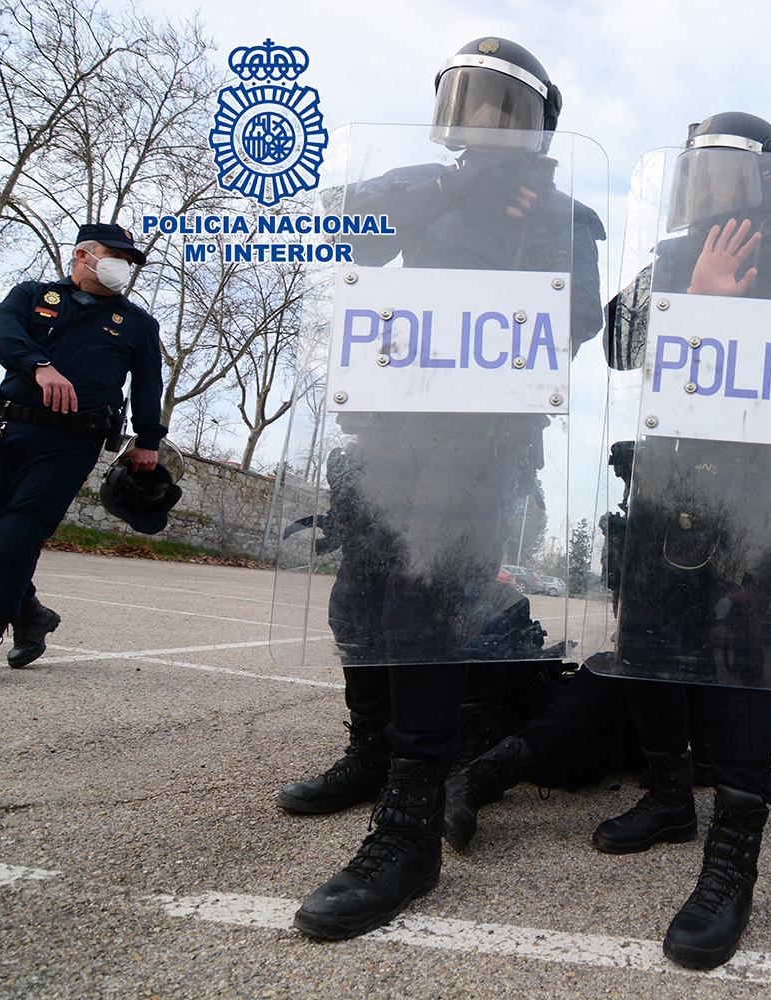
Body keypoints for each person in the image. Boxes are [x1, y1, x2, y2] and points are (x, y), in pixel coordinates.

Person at [281, 35, 605, 941]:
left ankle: (411, 823)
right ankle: (371, 754)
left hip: (481, 442)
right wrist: (443, 196)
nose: (485, 120)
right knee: (360, 603)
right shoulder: (424, 185)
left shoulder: (564, 215)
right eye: (473, 99)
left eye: (505, 106)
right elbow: (337, 225)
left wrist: (504, 239)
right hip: (384, 427)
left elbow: (574, 321)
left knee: (424, 610)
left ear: (541, 125)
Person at [595, 112, 771, 970]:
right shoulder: (668, 255)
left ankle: (733, 854)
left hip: (759, 492)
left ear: (770, 181)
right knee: (646, 639)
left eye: (725, 174)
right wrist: (688, 299)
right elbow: (615, 350)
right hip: (667, 479)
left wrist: (748, 315)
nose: (707, 190)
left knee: (741, 649)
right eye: (697, 174)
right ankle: (669, 795)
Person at [0, 223, 163, 686]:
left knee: (20, 526)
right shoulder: (32, 294)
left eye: (129, 260)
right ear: (82, 256)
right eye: (114, 254)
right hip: (7, 426)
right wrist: (40, 366)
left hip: (71, 441)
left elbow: (147, 385)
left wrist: (148, 440)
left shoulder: (139, 324)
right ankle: (31, 614)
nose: (123, 265)